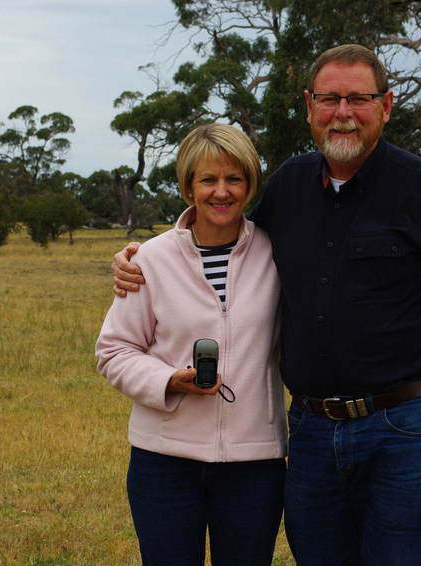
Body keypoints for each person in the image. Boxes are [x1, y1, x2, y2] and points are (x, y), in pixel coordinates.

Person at [113, 45, 421, 566]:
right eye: (329, 98)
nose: (343, 112)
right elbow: (225, 234)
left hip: (401, 430)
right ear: (309, 107)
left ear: (386, 105)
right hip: (311, 433)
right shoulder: (289, 188)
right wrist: (144, 255)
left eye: (358, 99)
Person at [96, 123, 286, 566]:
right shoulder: (150, 260)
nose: (221, 192)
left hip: (254, 463)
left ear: (250, 185)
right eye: (208, 180)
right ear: (188, 187)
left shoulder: (277, 253)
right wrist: (168, 380)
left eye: (234, 179)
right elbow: (114, 350)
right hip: (164, 462)